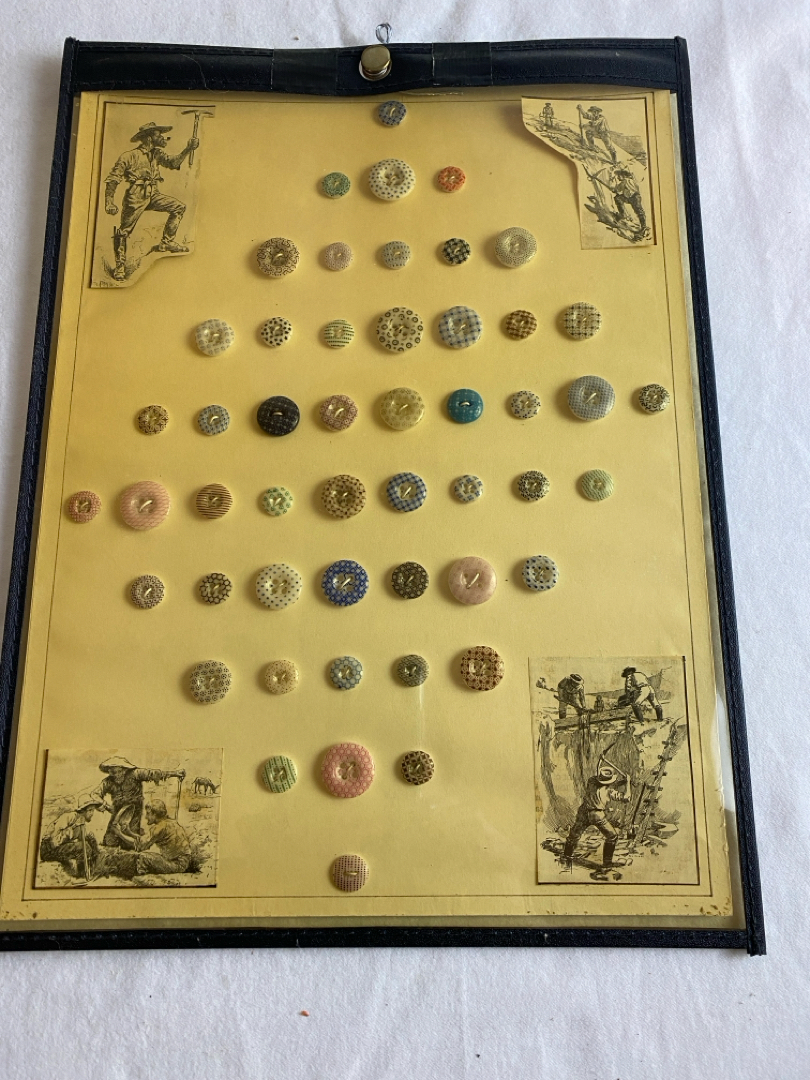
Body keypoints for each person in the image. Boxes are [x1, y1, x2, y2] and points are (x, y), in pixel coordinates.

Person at [104, 120, 199, 280]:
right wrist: (109, 201)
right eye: (158, 135)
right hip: (135, 196)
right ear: (148, 138)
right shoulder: (129, 156)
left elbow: (173, 163)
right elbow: (113, 179)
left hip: (153, 194)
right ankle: (120, 266)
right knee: (124, 231)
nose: (162, 137)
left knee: (179, 207)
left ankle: (167, 242)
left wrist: (188, 149)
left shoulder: (157, 154)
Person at [92, 757, 185, 849]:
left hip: (134, 811)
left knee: (130, 842)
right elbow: (94, 794)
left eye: (118, 771)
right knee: (110, 840)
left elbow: (153, 773)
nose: (116, 775)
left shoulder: (135, 774)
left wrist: (175, 773)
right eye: (113, 772)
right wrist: (106, 806)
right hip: (117, 812)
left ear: (124, 770)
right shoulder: (108, 781)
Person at [562, 763, 629, 869]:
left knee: (574, 835)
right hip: (597, 815)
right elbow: (627, 798)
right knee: (612, 837)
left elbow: (602, 781)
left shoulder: (591, 782)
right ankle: (607, 863)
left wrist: (621, 782)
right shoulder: (610, 791)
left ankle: (566, 855)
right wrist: (628, 782)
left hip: (583, 811)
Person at [39, 794, 102, 878]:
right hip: (49, 850)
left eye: (93, 810)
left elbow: (82, 839)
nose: (92, 813)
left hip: (59, 847)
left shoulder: (81, 823)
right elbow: (54, 841)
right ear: (82, 811)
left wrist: (89, 839)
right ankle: (82, 875)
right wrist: (71, 830)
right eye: (90, 810)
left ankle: (93, 870)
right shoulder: (70, 817)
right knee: (84, 847)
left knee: (91, 841)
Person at [133, 801, 192, 876]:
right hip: (183, 863)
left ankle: (142, 877)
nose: (146, 817)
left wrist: (120, 833)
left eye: (148, 813)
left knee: (142, 857)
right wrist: (129, 832)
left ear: (155, 814)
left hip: (176, 865)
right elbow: (142, 839)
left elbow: (141, 846)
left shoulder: (159, 827)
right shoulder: (171, 822)